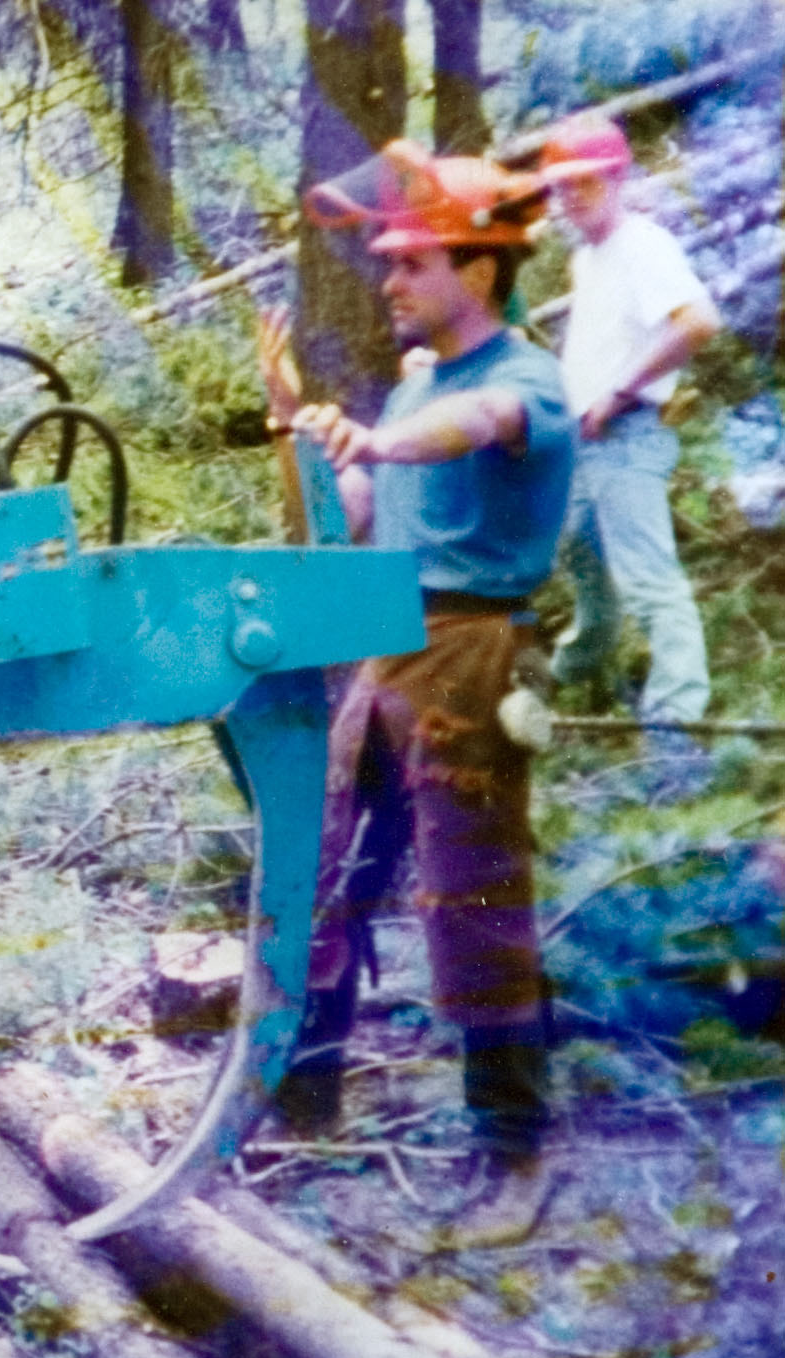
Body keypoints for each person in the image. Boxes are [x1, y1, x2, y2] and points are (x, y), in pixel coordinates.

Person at [266, 142, 577, 1248]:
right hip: (386, 650)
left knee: (473, 898)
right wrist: (308, 442)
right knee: (330, 872)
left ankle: (513, 1145)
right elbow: (344, 513)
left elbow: (472, 430)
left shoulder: (519, 381)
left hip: (479, 655)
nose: (389, 283)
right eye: (386, 263)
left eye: (413, 263)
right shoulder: (414, 384)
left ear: (479, 273)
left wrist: (382, 439)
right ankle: (298, 1099)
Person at [536, 114, 724, 798]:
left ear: (615, 178)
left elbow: (698, 322)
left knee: (649, 582)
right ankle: (572, 679)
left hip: (627, 435)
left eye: (582, 184)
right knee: (585, 577)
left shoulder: (643, 244)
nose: (569, 199)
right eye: (558, 188)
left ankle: (676, 732)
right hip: (581, 447)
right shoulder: (588, 257)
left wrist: (618, 392)